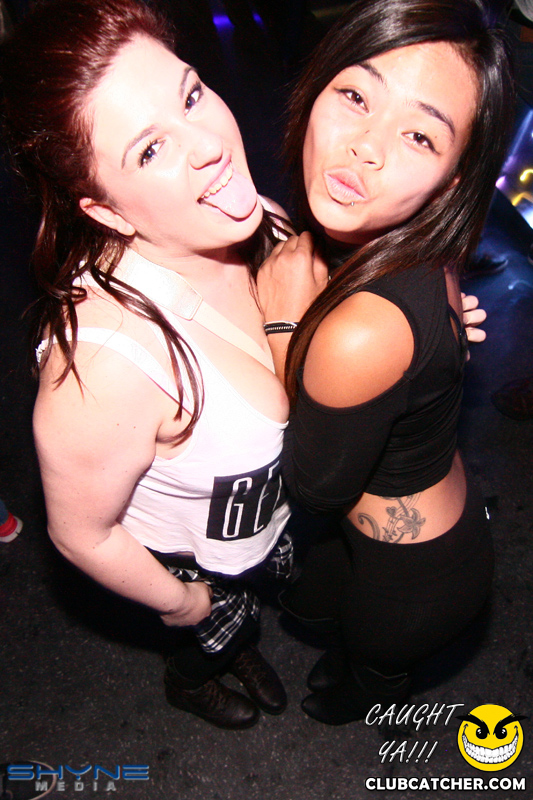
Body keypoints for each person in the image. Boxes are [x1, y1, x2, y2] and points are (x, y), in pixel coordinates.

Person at [0, 0, 297, 730]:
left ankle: (237, 643)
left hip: (265, 527)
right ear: (106, 211)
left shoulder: (249, 216)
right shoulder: (105, 369)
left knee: (247, 617)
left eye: (191, 95)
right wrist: (182, 603)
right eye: (150, 149)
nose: (210, 144)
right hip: (191, 565)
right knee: (212, 632)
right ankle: (193, 681)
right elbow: (82, 535)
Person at [257, 0, 513, 724]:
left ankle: (366, 694)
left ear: (452, 180)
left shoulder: (362, 331)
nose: (365, 147)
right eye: (356, 96)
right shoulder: (414, 238)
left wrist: (284, 323)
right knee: (322, 614)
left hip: (418, 578)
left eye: (419, 136)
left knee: (365, 674)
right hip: (413, 527)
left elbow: (314, 488)